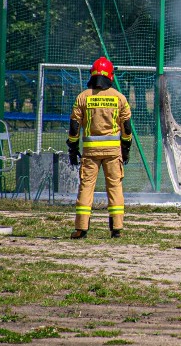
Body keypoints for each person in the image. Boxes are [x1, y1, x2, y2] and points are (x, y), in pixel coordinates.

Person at [67, 57, 132, 239]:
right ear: (110, 75)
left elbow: (74, 126)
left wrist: (73, 148)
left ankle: (81, 228)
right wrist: (125, 147)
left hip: (90, 153)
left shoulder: (83, 97)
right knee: (115, 187)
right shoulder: (119, 98)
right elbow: (126, 127)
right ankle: (117, 228)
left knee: (86, 187)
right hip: (113, 153)